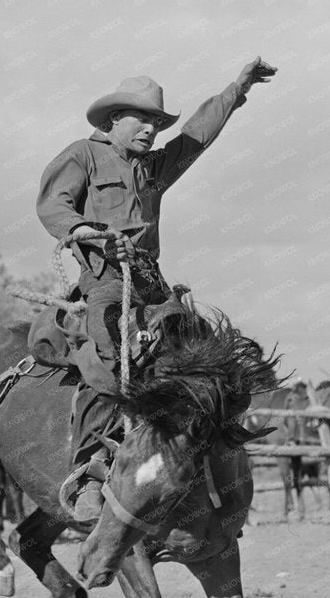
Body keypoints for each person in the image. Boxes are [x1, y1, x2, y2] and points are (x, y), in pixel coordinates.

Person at [36, 57, 278, 520]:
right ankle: (88, 470)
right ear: (113, 121)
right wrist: (86, 230)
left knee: (207, 352)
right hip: (106, 281)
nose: (151, 129)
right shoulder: (81, 155)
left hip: (152, 283)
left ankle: (212, 457)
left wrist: (238, 88)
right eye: (143, 120)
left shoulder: (153, 167)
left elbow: (196, 135)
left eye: (156, 122)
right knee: (108, 361)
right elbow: (53, 205)